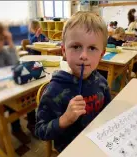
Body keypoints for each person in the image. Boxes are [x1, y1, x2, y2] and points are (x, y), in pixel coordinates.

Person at [35, 11, 112, 152]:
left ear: (101, 54)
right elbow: (40, 131)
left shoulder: (101, 82)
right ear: (64, 50)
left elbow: (108, 112)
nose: (83, 56)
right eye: (76, 47)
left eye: (92, 48)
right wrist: (64, 119)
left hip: (97, 145)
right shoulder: (54, 90)